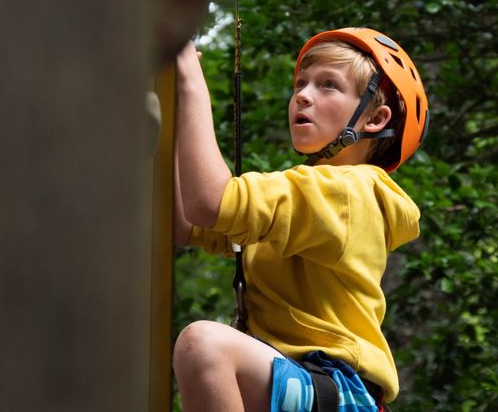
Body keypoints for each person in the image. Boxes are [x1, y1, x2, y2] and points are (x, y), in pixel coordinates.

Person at [173, 28, 429, 412]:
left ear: (375, 118)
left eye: (329, 85)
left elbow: (210, 202)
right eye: (300, 84)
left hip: (337, 390)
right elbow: (186, 222)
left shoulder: (347, 191)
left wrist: (190, 81)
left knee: (205, 345)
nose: (303, 95)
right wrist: (168, 109)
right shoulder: (303, 199)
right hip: (305, 382)